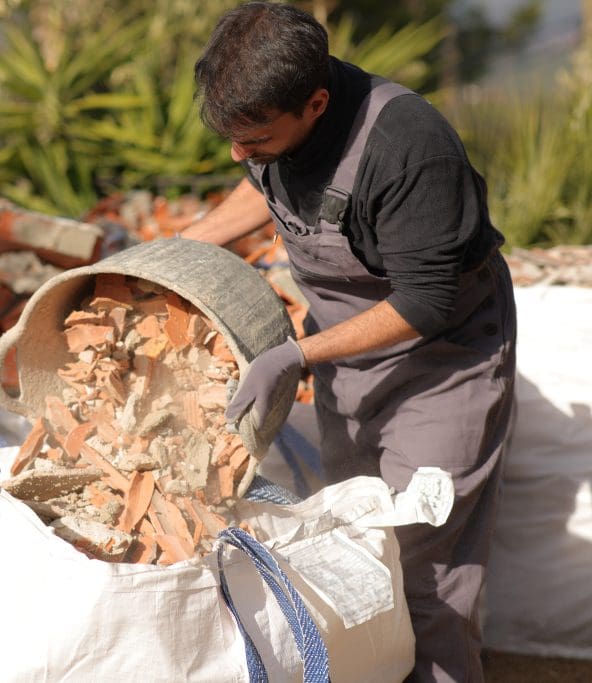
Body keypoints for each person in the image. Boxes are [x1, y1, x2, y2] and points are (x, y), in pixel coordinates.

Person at [181, 3, 517, 681]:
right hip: (349, 364)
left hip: (441, 365)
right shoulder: (270, 125)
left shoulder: (406, 145)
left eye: (255, 138)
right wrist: (181, 248)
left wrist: (296, 355)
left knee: (426, 578)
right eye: (232, 138)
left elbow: (426, 302)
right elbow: (265, 189)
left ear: (316, 103)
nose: (238, 155)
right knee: (361, 555)